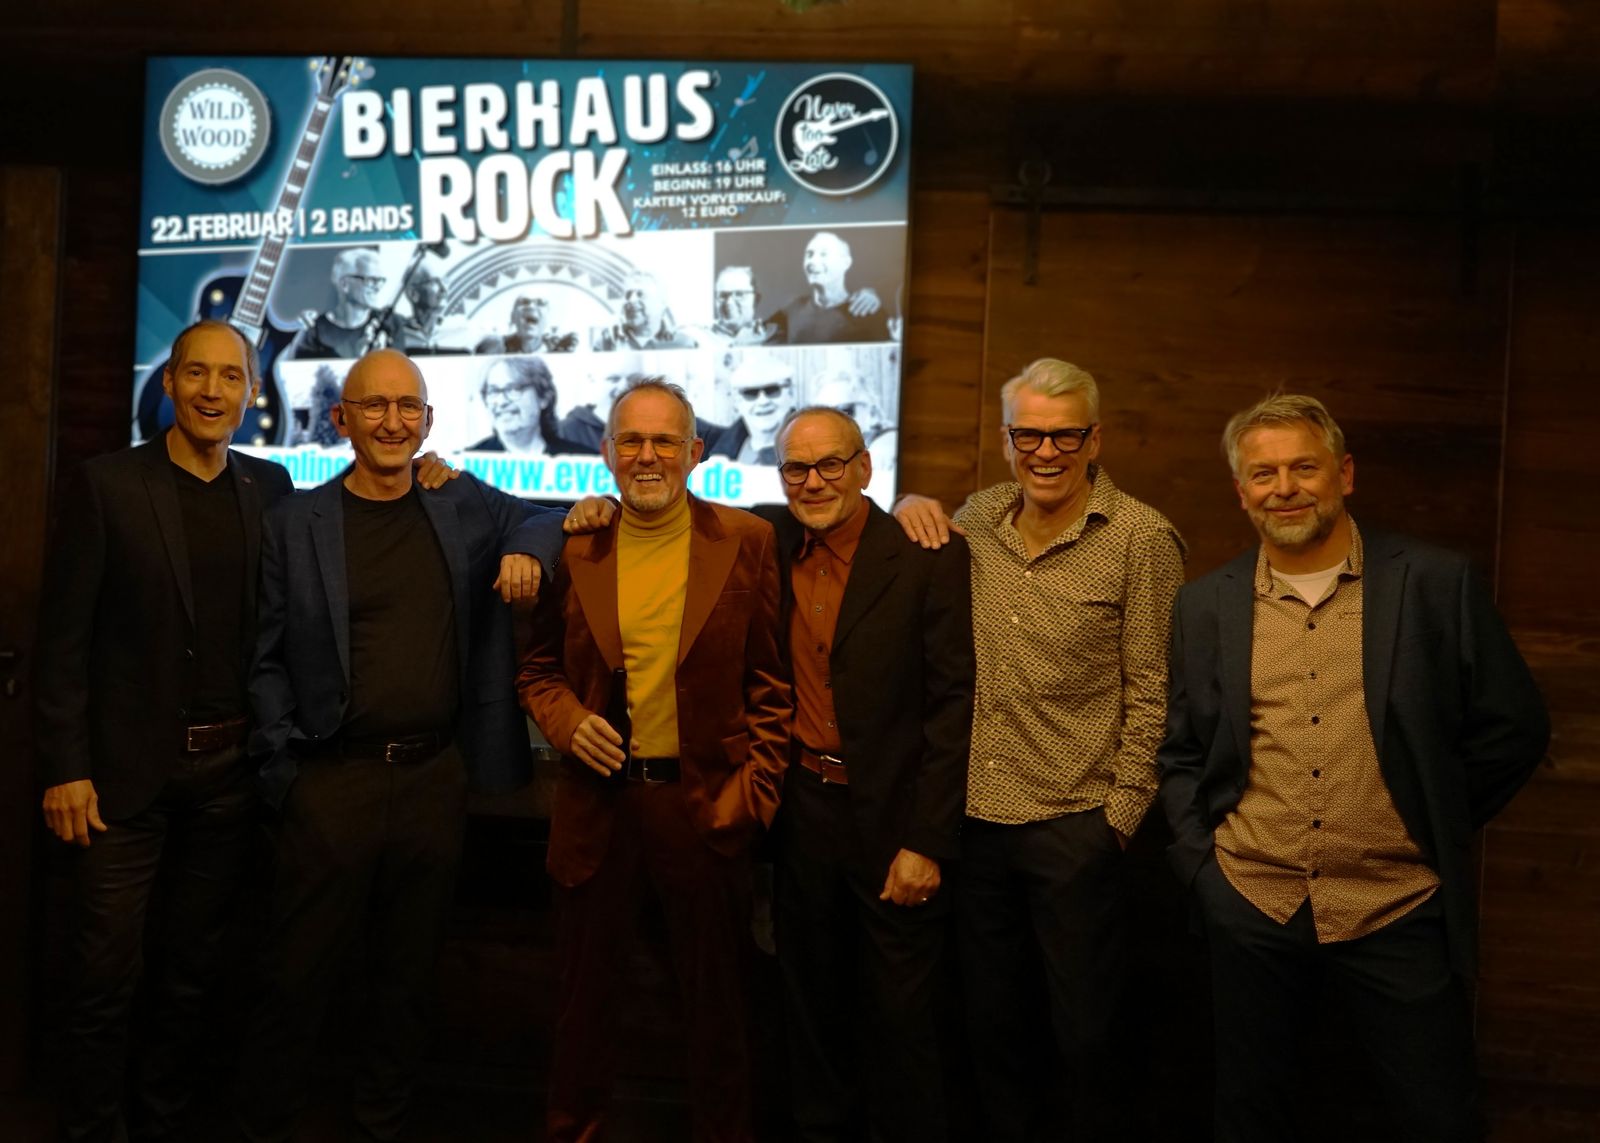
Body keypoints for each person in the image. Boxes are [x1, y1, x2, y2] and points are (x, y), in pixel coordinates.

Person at [1157, 393, 1549, 1143]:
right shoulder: (1204, 605)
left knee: (1438, 1117)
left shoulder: (1433, 582)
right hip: (1254, 901)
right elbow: (1181, 751)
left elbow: (1515, 726)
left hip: (1396, 903)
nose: (1285, 488)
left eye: (1304, 467)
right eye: (1264, 474)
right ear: (1241, 491)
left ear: (1344, 474)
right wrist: (1204, 871)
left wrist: (1432, 814)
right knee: (1250, 1115)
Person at [235, 348, 564, 1142]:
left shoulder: (459, 501)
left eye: (407, 406)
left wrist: (526, 551)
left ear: (428, 420)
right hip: (329, 783)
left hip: (432, 781)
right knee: (294, 976)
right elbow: (264, 655)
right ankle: (264, 1123)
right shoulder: (296, 521)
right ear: (341, 420)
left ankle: (380, 1123)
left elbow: (545, 515)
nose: (392, 421)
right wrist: (286, 769)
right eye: (374, 406)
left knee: (407, 980)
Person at [894, 357, 1185, 1139]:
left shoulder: (1141, 537)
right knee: (992, 1032)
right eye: (1029, 434)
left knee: (1086, 1038)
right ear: (1005, 439)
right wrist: (905, 504)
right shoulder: (978, 516)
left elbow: (1156, 692)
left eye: (1064, 436)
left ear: (1095, 439)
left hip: (1075, 827)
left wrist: (1115, 822)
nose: (1045, 452)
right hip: (976, 826)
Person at [33, 319, 294, 1143]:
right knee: (103, 978)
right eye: (197, 374)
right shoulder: (107, 484)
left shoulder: (272, 487)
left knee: (190, 978)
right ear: (170, 383)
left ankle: (163, 1123)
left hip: (227, 779)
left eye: (231, 376)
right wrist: (65, 766)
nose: (213, 391)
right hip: (119, 783)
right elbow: (62, 641)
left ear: (252, 391)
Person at [518, 378, 790, 1143]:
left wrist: (754, 797)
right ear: (606, 453)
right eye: (631, 440)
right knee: (581, 1014)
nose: (647, 455)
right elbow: (537, 669)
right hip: (596, 809)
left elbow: (771, 687)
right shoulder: (576, 545)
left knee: (719, 1017)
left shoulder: (747, 540)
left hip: (706, 808)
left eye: (664, 440)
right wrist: (568, 722)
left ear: (695, 451)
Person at [765, 407, 973, 1142]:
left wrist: (927, 840)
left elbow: (954, 704)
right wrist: (593, 507)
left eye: (831, 464)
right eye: (797, 468)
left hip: (894, 819)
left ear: (864, 468)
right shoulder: (769, 541)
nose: (813, 481)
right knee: (809, 1005)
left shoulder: (926, 553)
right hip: (802, 809)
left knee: (902, 1018)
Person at [773, 232, 892, 345]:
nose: (813, 261)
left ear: (846, 263)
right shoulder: (791, 309)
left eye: (823, 254)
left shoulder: (867, 309)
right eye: (809, 254)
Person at [290, 248, 400, 360]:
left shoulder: (390, 323)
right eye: (370, 280)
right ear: (344, 285)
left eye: (380, 280)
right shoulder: (314, 329)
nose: (377, 287)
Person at [467, 355, 590, 455]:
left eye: (514, 389)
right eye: (493, 391)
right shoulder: (467, 462)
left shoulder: (583, 460)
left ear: (543, 397)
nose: (501, 401)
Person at [702, 351, 797, 465]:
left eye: (772, 390)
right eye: (750, 393)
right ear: (737, 402)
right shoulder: (719, 454)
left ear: (791, 394)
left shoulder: (812, 452)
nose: (763, 401)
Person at [590, 271, 694, 350]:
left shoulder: (683, 344)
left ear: (661, 303)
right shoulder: (606, 344)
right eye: (628, 295)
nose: (631, 300)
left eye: (640, 294)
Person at [394, 263, 470, 356]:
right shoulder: (398, 335)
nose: (444, 289)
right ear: (413, 294)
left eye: (445, 281)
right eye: (435, 282)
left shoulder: (461, 329)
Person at [474, 293, 578, 355]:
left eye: (540, 303)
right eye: (524, 302)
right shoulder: (496, 346)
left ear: (549, 317)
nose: (531, 306)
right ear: (513, 316)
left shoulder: (560, 348)